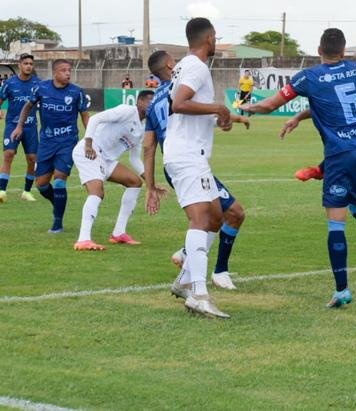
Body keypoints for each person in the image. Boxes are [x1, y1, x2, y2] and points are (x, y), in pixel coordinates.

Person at [243, 28, 356, 308]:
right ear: (342, 49)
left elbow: (271, 105)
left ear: (319, 50)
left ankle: (342, 290)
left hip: (341, 152)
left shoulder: (308, 77)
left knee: (336, 222)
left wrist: (246, 108)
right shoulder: (352, 68)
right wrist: (300, 115)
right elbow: (334, 101)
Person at [144, 50, 248, 291]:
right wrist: (222, 114)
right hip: (187, 161)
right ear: (171, 65)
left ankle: (190, 267)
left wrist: (149, 186)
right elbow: (185, 111)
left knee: (218, 216)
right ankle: (203, 276)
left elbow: (149, 146)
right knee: (228, 214)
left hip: (173, 162)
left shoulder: (154, 102)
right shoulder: (178, 91)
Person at [155, 18, 238, 318]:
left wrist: (220, 118)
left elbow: (188, 109)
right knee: (202, 219)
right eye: (216, 38)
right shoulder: (196, 66)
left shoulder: (187, 67)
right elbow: (179, 104)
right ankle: (198, 294)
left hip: (192, 154)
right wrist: (217, 107)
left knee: (217, 216)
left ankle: (184, 281)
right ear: (210, 38)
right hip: (187, 154)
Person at [12, 59, 90, 232]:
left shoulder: (76, 92)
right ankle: (58, 202)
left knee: (60, 180)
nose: (68, 73)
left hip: (67, 142)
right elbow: (27, 106)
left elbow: (85, 115)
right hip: (46, 142)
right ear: (55, 73)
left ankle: (57, 222)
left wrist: (89, 138)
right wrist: (19, 126)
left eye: (69, 70)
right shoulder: (42, 88)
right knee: (41, 185)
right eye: (64, 70)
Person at [71, 92, 154, 250]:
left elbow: (135, 159)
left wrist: (151, 185)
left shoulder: (142, 128)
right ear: (139, 101)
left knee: (135, 182)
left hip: (106, 159)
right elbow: (95, 118)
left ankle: (119, 233)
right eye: (149, 100)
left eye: (154, 102)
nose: (152, 104)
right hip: (90, 150)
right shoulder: (128, 111)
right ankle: (83, 239)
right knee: (97, 192)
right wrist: (88, 143)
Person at [0, 54, 42, 203]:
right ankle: (2, 191)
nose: (29, 66)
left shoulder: (38, 84)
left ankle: (27, 191)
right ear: (19, 65)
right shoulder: (9, 83)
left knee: (32, 159)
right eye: (26, 63)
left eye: (31, 63)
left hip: (30, 127)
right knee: (9, 154)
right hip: (12, 125)